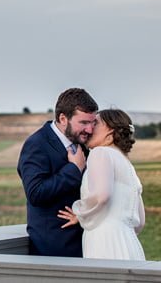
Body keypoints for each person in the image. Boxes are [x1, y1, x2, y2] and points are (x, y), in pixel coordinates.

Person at [17, 87, 98, 257]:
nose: (90, 130)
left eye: (92, 122)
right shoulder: (36, 144)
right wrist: (74, 169)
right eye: (83, 123)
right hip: (54, 248)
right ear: (63, 118)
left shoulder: (83, 143)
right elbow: (36, 193)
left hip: (88, 244)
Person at [57, 109, 146, 260]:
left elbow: (102, 196)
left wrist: (80, 213)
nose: (90, 128)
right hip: (130, 244)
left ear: (110, 131)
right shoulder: (127, 164)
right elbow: (140, 223)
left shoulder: (100, 153)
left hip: (104, 244)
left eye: (95, 123)